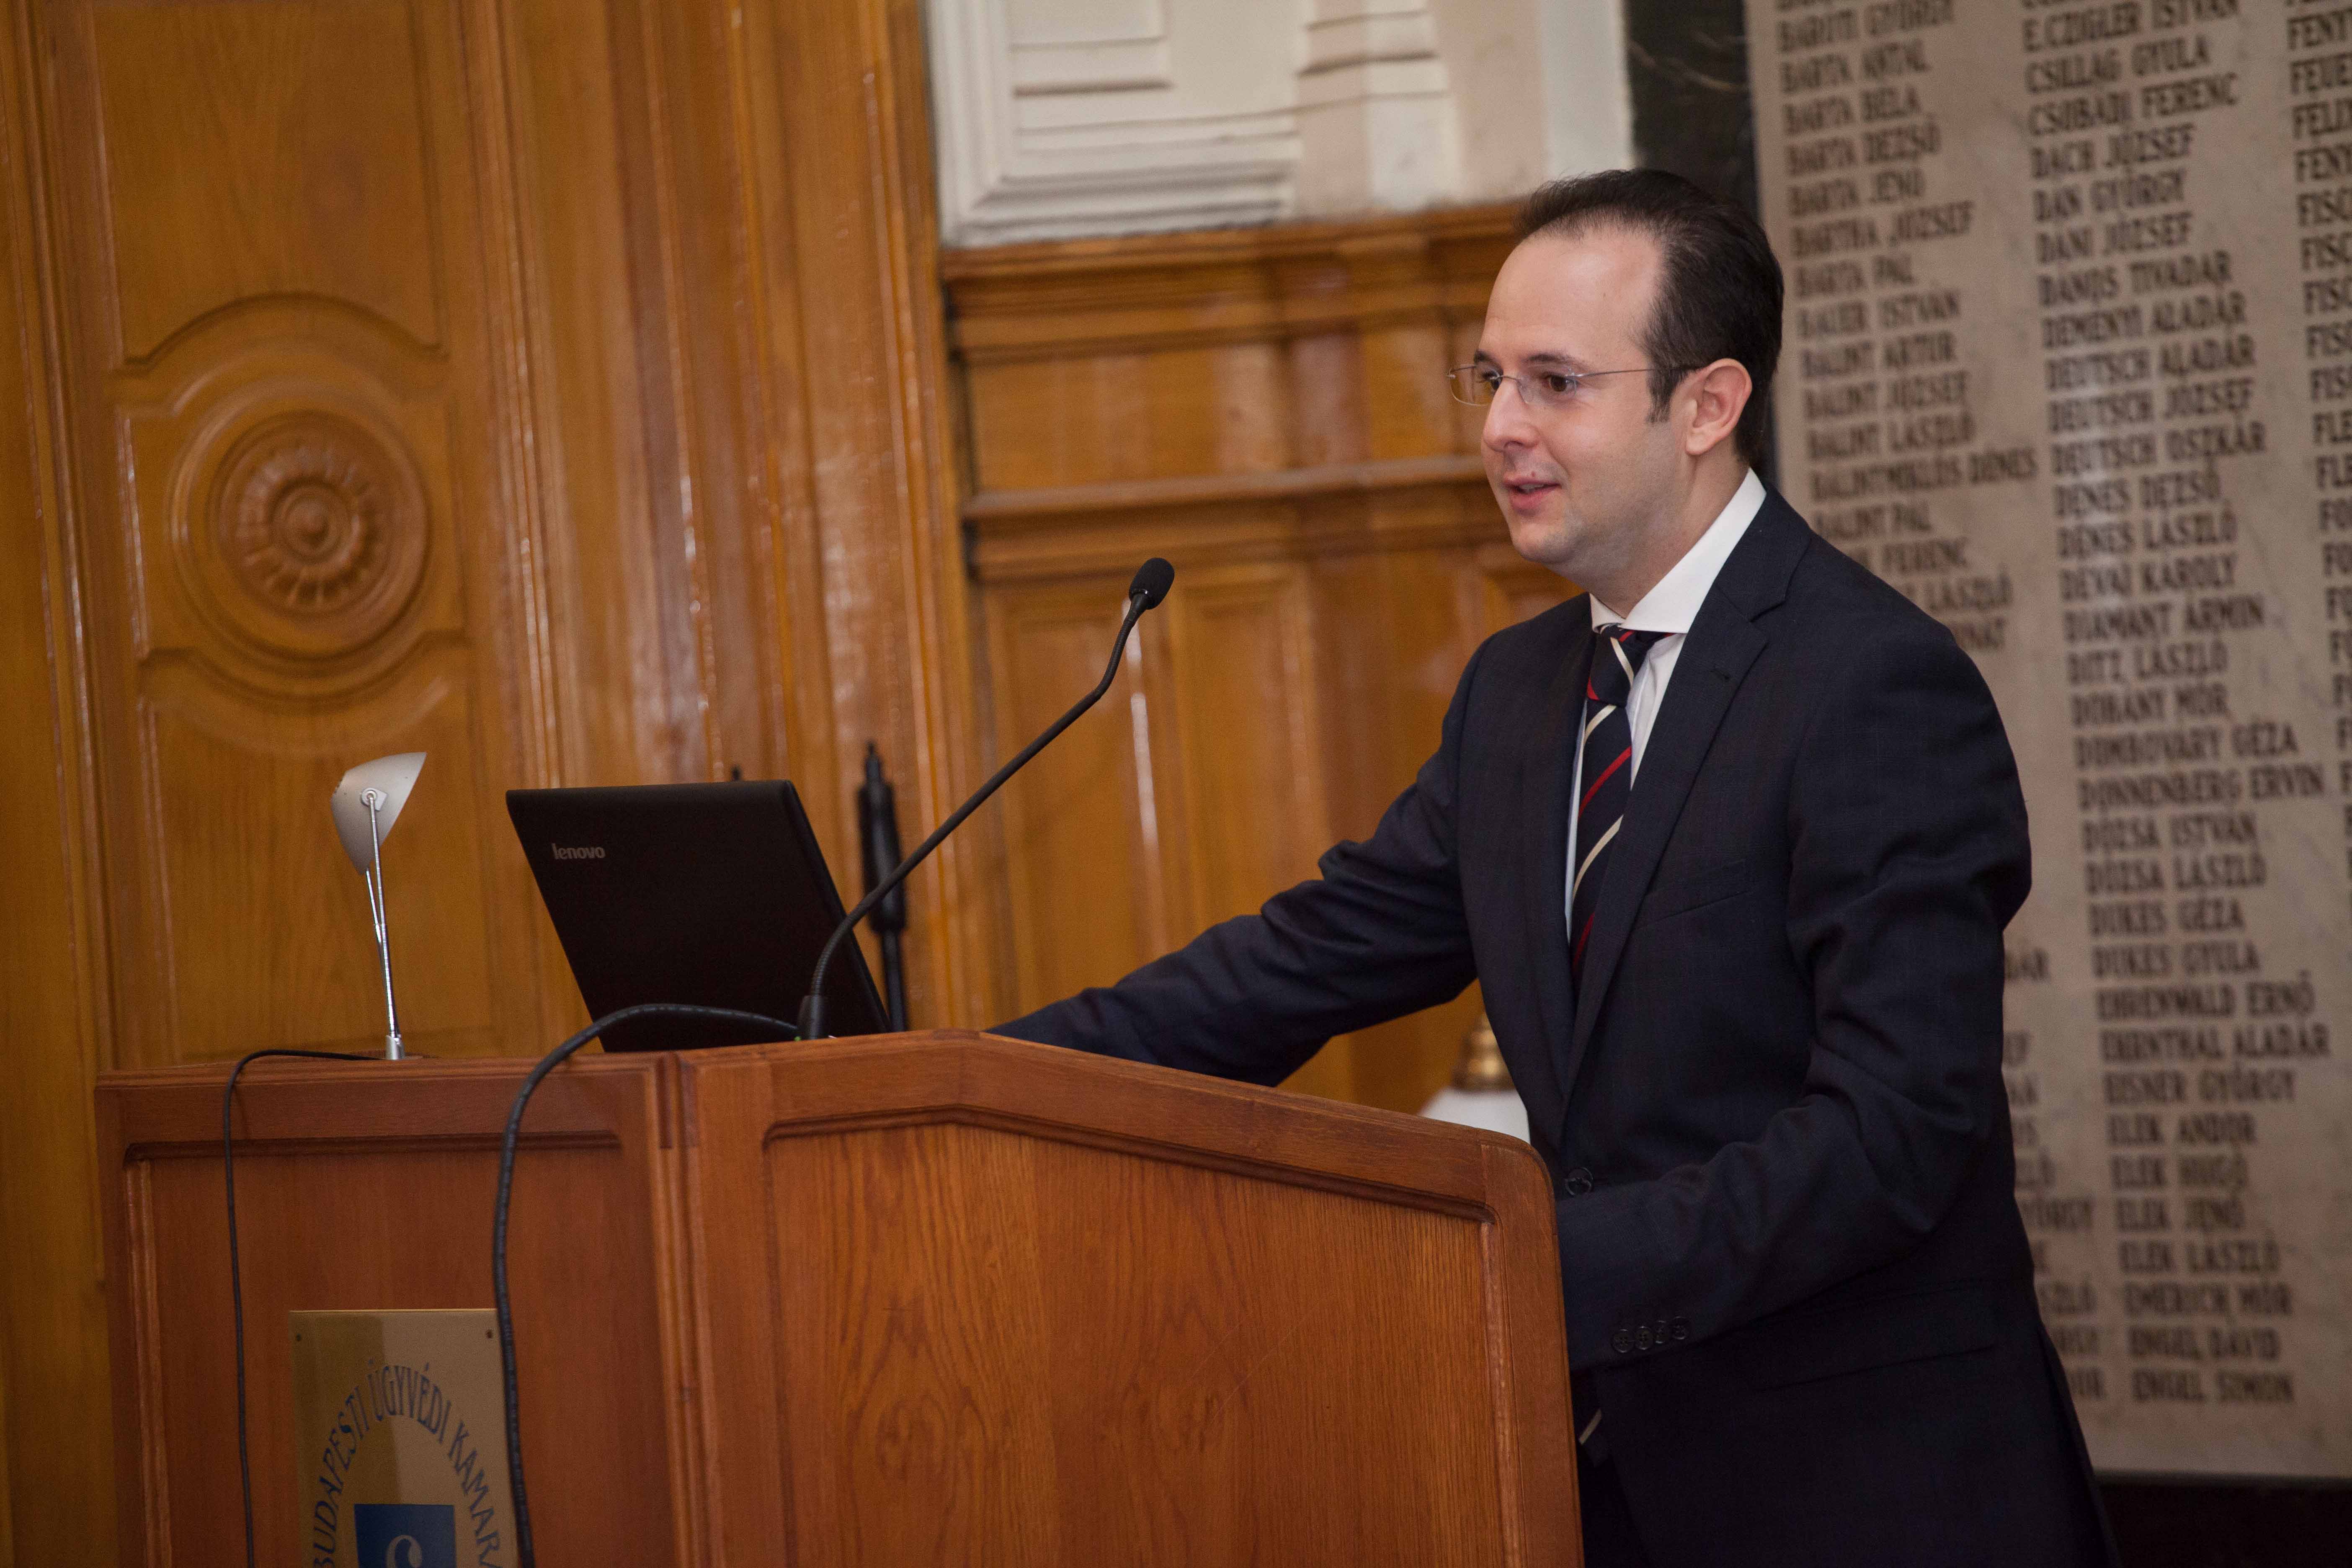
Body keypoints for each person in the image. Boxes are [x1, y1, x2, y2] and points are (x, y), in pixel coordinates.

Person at [993, 169, 2116, 1568]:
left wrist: (1522, 1271)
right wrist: (969, 1080)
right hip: (1603, 1489)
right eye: (1489, 378)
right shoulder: (1519, 694)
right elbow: (1300, 964)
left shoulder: (1871, 684)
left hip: (1869, 1495)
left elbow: (1890, 1139)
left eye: (1556, 384)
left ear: (1706, 406)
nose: (1500, 428)